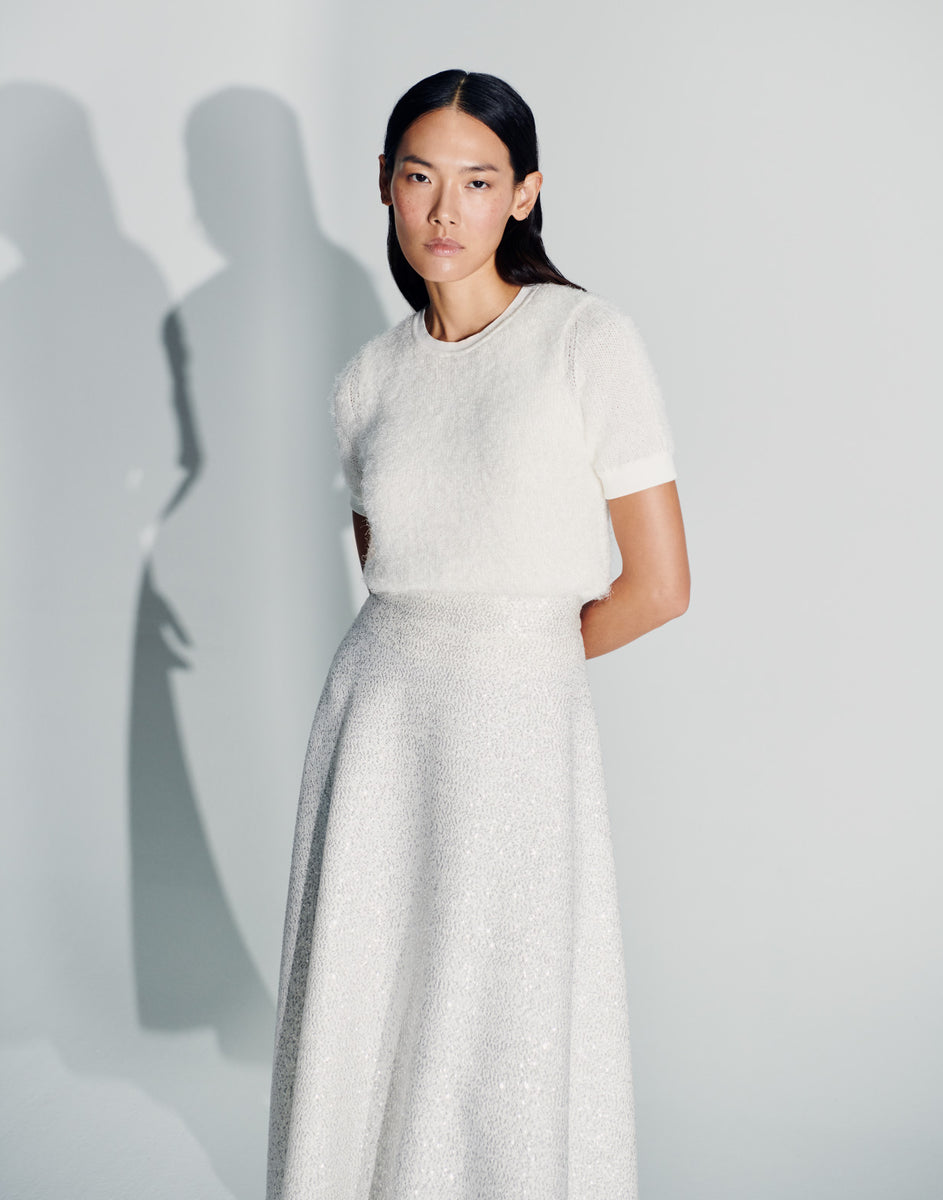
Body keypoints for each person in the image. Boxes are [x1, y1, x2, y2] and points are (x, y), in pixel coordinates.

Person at [265, 68, 690, 1200]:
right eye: (420, 178)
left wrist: (512, 664)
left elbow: (659, 587)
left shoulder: (585, 340)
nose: (445, 211)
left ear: (526, 194)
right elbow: (394, 575)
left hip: (516, 732)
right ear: (384, 186)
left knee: (500, 1023)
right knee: (368, 1003)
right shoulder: (367, 380)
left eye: (478, 181)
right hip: (374, 731)